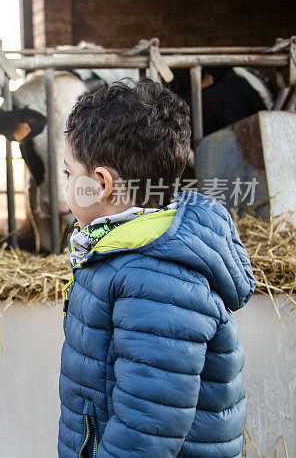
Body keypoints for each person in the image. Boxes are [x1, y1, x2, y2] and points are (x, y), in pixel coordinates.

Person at [57, 79, 255, 457]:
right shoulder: (121, 253)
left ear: (101, 184)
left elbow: (149, 427)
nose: (65, 188)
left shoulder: (155, 278)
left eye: (69, 174)